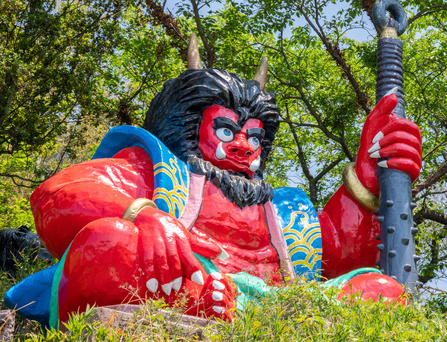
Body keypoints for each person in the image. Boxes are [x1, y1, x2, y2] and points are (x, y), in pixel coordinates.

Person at [6, 42, 422, 326]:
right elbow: (59, 194)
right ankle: (213, 299)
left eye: (254, 136)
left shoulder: (283, 207)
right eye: (226, 132)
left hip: (280, 301)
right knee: (112, 244)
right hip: (182, 279)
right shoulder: (154, 167)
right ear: (189, 127)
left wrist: (368, 177)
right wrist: (146, 214)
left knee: (379, 289)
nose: (244, 147)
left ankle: (255, 312)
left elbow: (337, 257)